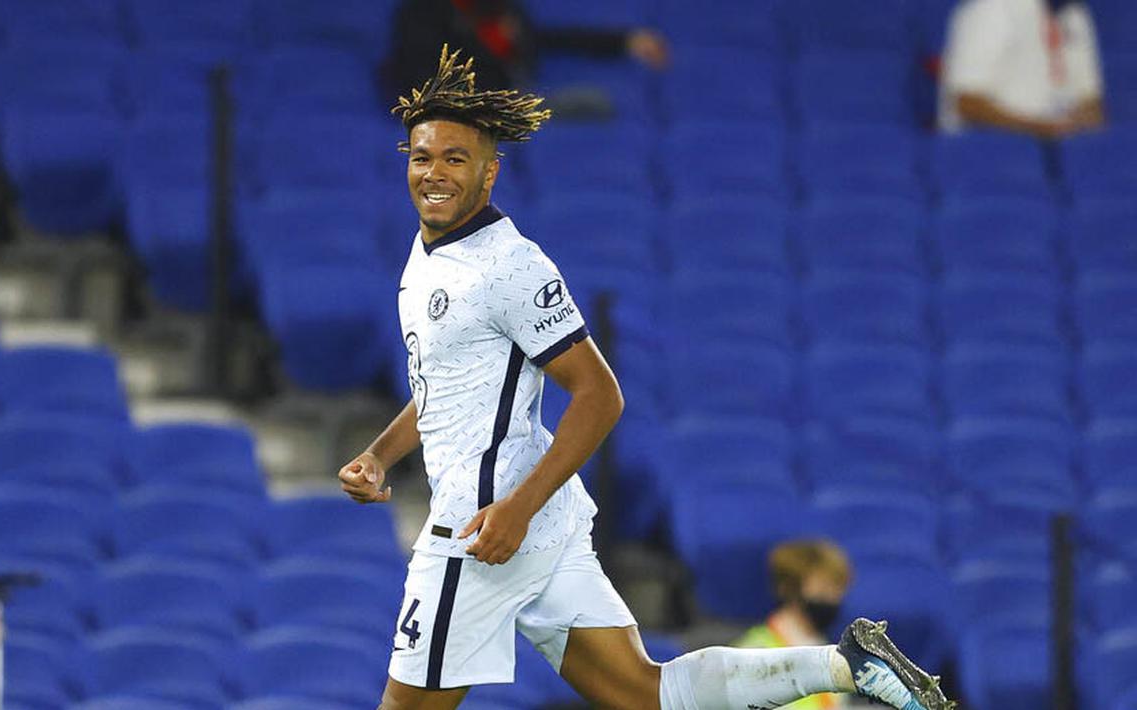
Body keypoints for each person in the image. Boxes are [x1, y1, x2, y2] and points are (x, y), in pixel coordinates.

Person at [339, 45, 956, 710]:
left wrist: (516, 510)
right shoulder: (426, 254)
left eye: (455, 159)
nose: (434, 173)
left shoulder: (509, 266)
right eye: (422, 157)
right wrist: (380, 455)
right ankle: (843, 664)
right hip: (524, 520)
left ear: (490, 173)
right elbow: (446, 389)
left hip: (484, 528)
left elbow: (599, 395)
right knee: (643, 693)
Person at [381, 0, 668, 102]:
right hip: (469, 114)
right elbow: (423, 76)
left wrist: (624, 41)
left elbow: (550, 38)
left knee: (594, 104)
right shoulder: (423, 14)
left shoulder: (504, 10)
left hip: (516, 107)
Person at [939, 0, 1106, 137]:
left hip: (1056, 143)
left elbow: (1090, 99)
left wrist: (1081, 120)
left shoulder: (1075, 13)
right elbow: (965, 103)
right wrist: (1039, 128)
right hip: (987, 147)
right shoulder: (989, 8)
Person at [735, 541, 856, 709]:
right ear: (790, 589)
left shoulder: (833, 655)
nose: (832, 599)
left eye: (837, 590)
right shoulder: (754, 654)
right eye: (822, 589)